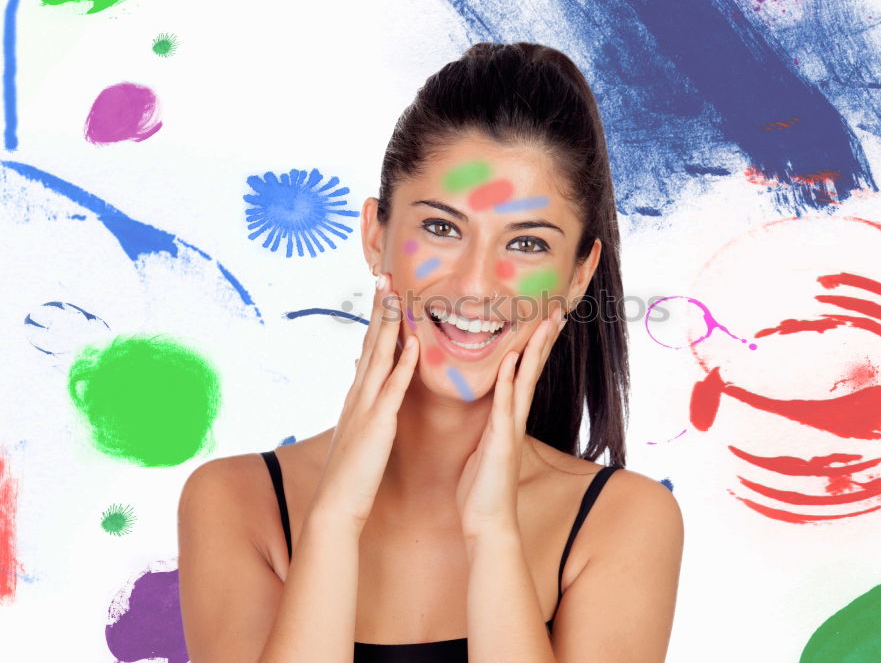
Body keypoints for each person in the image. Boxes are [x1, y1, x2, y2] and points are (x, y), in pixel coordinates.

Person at [177, 41, 683, 662]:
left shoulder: (623, 521)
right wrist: (334, 520)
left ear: (578, 278)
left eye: (526, 244)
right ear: (376, 235)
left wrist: (494, 534)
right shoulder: (235, 502)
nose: (475, 285)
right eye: (442, 228)